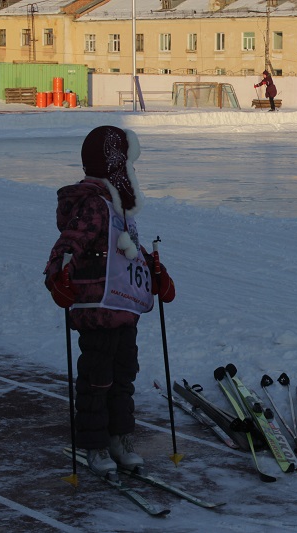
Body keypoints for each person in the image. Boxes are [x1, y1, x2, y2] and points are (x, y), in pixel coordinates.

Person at [44, 125, 176, 477]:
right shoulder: (96, 206)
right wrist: (56, 273)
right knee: (97, 379)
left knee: (123, 378)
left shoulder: (120, 212)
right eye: (127, 163)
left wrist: (154, 272)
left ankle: (120, 438)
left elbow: (129, 253)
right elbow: (70, 240)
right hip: (97, 309)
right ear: (112, 164)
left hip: (124, 308)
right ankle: (95, 444)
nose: (132, 171)